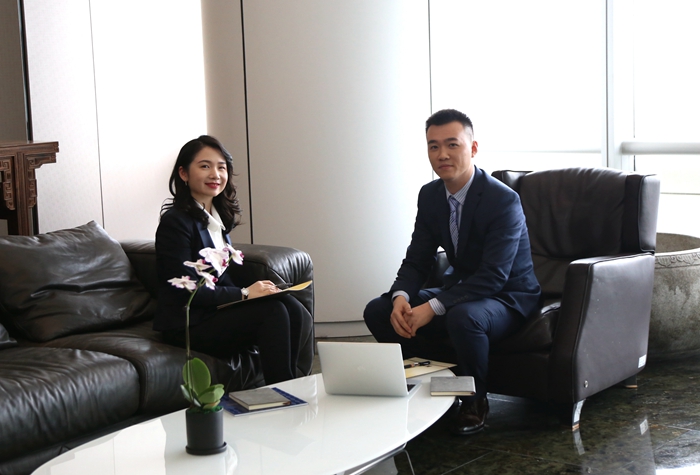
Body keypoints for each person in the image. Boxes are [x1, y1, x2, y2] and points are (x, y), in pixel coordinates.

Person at [364, 109, 541, 435]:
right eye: (433, 146)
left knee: (463, 317)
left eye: (452, 144)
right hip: (460, 289)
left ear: (473, 148)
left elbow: (493, 276)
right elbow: (417, 259)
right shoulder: (430, 195)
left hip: (508, 296)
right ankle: (432, 386)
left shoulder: (503, 200)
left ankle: (475, 400)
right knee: (379, 309)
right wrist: (401, 296)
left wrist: (432, 307)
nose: (442, 154)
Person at [154, 135, 311, 385]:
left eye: (221, 167)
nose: (215, 174)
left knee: (292, 307)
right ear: (183, 173)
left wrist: (260, 292)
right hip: (187, 324)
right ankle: (281, 391)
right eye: (205, 166)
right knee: (273, 312)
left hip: (213, 313)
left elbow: (221, 277)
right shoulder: (175, 222)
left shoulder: (217, 219)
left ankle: (292, 385)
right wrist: (245, 294)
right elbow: (186, 290)